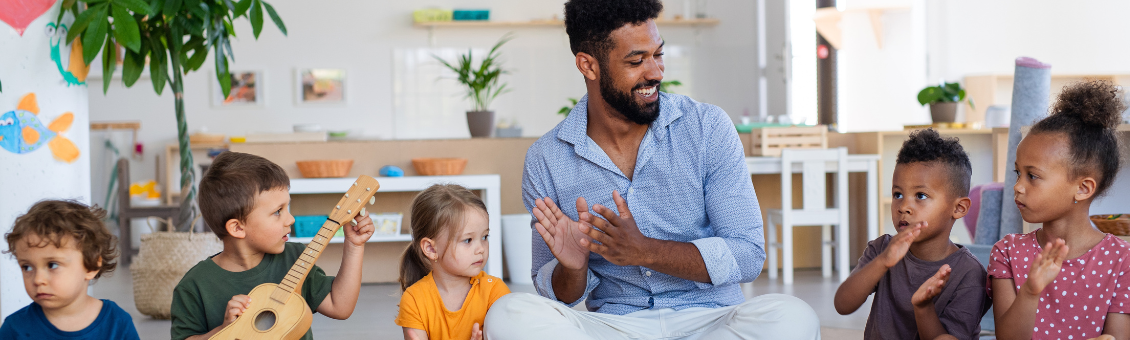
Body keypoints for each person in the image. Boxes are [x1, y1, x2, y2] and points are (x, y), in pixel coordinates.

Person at [484, 0, 819, 338]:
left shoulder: (707, 127)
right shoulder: (546, 159)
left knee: (793, 316)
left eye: (658, 54)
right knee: (508, 314)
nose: (656, 72)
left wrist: (645, 251)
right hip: (616, 325)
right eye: (636, 61)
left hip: (710, 320)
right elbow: (558, 296)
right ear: (588, 66)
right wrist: (574, 268)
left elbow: (747, 255)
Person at [170, 151, 375, 340]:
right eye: (278, 211)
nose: (291, 219)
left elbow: (340, 307)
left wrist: (354, 247)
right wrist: (224, 329)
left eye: (288, 207)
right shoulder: (194, 285)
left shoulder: (295, 258)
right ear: (238, 228)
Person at [989, 80, 1130, 340]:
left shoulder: (1122, 260)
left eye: (1032, 176)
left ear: (1083, 188)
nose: (1017, 187)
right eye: (1018, 173)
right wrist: (1030, 291)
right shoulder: (1007, 252)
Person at [834, 129, 990, 340]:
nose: (903, 206)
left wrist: (923, 308)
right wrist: (882, 262)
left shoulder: (969, 273)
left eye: (921, 196)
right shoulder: (882, 250)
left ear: (959, 208)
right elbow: (842, 305)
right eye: (898, 194)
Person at [0, 200, 139, 340]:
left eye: (52, 265)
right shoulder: (14, 329)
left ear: (91, 266)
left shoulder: (117, 323)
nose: (38, 279)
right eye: (27, 267)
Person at [395, 184, 510, 340]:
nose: (480, 249)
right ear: (431, 248)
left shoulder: (495, 291)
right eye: (468, 240)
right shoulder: (414, 300)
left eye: (484, 237)